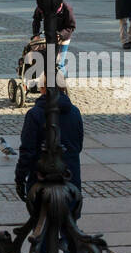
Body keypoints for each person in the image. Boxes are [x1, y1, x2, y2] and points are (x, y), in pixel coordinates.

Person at [14, 71, 83, 222]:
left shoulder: (35, 114)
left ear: (43, 88)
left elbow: (27, 151)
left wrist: (20, 177)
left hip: (42, 181)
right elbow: (78, 146)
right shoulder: (75, 112)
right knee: (70, 228)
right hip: (70, 178)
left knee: (42, 227)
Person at [31, 0, 76, 75]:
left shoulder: (67, 9)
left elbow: (71, 27)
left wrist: (60, 35)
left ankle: (62, 84)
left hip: (64, 36)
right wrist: (36, 34)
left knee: (59, 64)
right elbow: (36, 20)